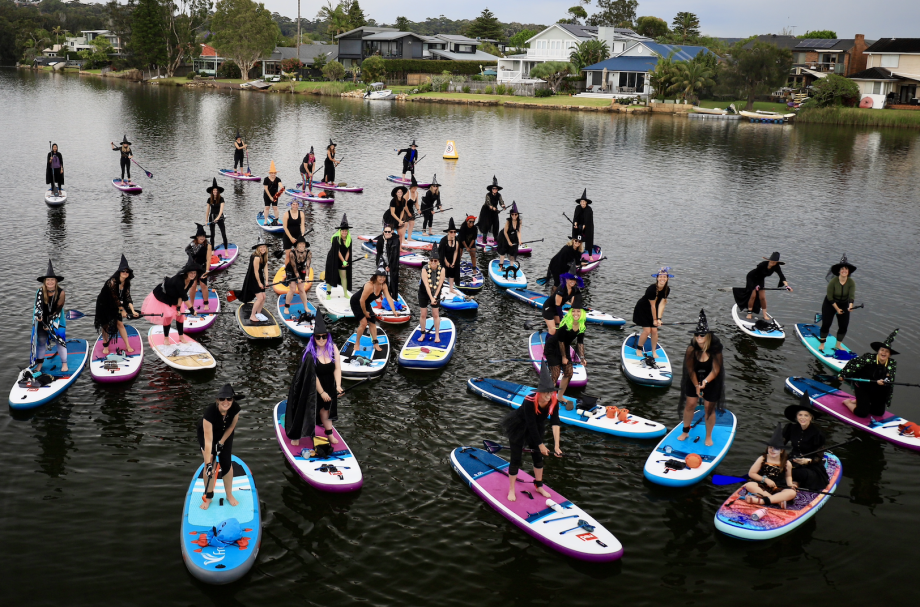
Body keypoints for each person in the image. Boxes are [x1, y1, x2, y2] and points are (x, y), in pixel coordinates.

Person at [499, 362, 563, 502]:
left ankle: (538, 485)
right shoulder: (529, 400)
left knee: (538, 458)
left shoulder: (554, 401)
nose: (548, 395)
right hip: (520, 425)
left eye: (550, 392)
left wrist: (557, 446)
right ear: (539, 392)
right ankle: (511, 489)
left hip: (537, 426)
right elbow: (530, 424)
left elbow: (555, 422)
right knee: (516, 459)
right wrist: (541, 445)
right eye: (545, 392)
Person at [677, 309, 725, 447]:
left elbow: (716, 370)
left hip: (711, 379)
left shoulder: (715, 349)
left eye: (702, 335)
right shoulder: (691, 349)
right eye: (696, 335)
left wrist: (704, 382)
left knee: (709, 408)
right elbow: (690, 369)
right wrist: (697, 385)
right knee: (690, 404)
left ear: (708, 336)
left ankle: (708, 436)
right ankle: (685, 431)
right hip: (694, 378)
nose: (698, 337)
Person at [197, 383, 242, 510]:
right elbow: (208, 440)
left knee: (226, 462)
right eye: (222, 399)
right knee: (210, 464)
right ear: (217, 400)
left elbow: (231, 427)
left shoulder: (235, 409)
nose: (226, 402)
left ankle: (229, 494)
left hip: (225, 434)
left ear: (232, 400)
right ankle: (208, 496)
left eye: (229, 399)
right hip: (207, 435)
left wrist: (221, 442)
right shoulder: (209, 414)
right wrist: (209, 463)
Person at [839, 329, 899, 421]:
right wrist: (842, 374)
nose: (884, 353)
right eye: (882, 350)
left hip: (878, 388)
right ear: (878, 351)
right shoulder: (868, 358)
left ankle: (861, 402)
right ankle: (848, 403)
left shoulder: (892, 363)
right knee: (862, 413)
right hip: (863, 386)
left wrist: (885, 381)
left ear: (889, 355)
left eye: (887, 351)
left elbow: (889, 377)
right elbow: (852, 363)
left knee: (878, 412)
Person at [141, 255, 203, 343]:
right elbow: (184, 297)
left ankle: (181, 336)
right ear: (186, 273)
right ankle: (166, 338)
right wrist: (192, 310)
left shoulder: (191, 280)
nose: (193, 275)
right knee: (168, 316)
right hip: (165, 296)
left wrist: (178, 308)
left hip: (176, 296)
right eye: (191, 273)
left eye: (194, 273)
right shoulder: (179, 281)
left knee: (180, 316)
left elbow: (182, 295)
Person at [543, 295, 587, 405]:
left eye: (578, 311)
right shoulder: (566, 324)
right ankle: (547, 398)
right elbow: (560, 341)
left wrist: (582, 358)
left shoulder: (582, 325)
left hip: (564, 347)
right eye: (573, 311)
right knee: (555, 374)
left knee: (569, 373)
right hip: (553, 347)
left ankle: (560, 396)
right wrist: (563, 357)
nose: (575, 314)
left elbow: (580, 342)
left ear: (582, 313)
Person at [741, 423, 798, 507]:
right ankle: (776, 500)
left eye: (776, 448)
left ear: (781, 451)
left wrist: (790, 484)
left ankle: (761, 501)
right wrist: (766, 480)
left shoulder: (786, 463)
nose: (772, 450)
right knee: (749, 485)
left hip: (778, 485)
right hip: (763, 484)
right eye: (770, 447)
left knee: (792, 493)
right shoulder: (762, 458)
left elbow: (788, 476)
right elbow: (752, 473)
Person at [783, 393, 830, 492]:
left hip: (810, 464)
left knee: (803, 474)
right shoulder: (790, 428)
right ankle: (792, 484)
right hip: (793, 459)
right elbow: (779, 444)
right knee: (780, 469)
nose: (802, 418)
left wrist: (807, 461)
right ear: (796, 416)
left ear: (811, 417)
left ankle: (795, 483)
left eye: (806, 415)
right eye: (800, 415)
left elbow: (819, 456)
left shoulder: (817, 433)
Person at [94, 255, 139, 356]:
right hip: (104, 304)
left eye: (127, 272)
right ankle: (106, 346)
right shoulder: (112, 282)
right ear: (119, 272)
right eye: (123, 271)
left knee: (120, 324)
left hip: (115, 304)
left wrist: (132, 311)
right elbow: (115, 297)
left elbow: (127, 297)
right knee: (105, 325)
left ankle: (127, 345)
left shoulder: (127, 283)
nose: (125, 273)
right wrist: (122, 310)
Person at [31, 261, 68, 374]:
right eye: (48, 280)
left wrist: (50, 324)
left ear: (56, 281)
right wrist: (39, 316)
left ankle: (64, 364)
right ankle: (40, 364)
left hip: (57, 320)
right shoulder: (40, 291)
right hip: (42, 321)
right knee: (41, 341)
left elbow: (57, 310)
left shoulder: (61, 293)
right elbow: (38, 306)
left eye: (52, 280)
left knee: (60, 341)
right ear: (45, 282)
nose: (50, 282)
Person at [350, 265, 398, 352]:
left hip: (366, 303)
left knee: (372, 322)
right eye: (380, 276)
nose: (382, 279)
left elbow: (389, 298)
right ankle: (357, 343)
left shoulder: (383, 286)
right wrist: (365, 312)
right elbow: (361, 300)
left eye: (384, 277)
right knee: (364, 323)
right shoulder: (369, 286)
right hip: (356, 302)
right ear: (375, 277)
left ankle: (375, 343)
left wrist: (394, 311)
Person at [733, 252, 792, 321]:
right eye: (772, 262)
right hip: (752, 277)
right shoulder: (762, 264)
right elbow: (756, 274)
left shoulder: (776, 267)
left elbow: (782, 277)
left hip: (760, 279)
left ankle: (764, 315)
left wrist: (787, 286)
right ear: (769, 260)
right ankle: (749, 313)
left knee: (762, 297)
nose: (773, 263)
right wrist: (756, 286)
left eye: (775, 262)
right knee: (753, 295)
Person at [819, 253, 857, 355]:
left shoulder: (851, 282)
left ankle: (838, 344)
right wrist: (837, 309)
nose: (844, 271)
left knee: (843, 326)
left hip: (844, 303)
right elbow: (830, 297)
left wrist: (850, 306)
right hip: (830, 304)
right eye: (842, 269)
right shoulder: (833, 282)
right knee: (826, 324)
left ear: (848, 272)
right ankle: (822, 343)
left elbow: (851, 296)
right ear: (839, 271)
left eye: (846, 269)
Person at [632, 267, 672, 359]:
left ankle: (654, 351)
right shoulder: (651, 289)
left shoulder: (667, 289)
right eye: (661, 277)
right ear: (657, 278)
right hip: (643, 309)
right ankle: (639, 349)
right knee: (647, 331)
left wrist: (659, 319)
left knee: (654, 330)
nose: (663, 279)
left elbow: (662, 304)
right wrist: (654, 319)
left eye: (665, 277)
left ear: (667, 278)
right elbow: (652, 305)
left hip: (654, 309)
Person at [542, 261, 582, 335]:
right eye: (570, 279)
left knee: (563, 327)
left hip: (558, 308)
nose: (572, 282)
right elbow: (558, 305)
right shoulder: (561, 289)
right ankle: (548, 345)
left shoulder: (575, 289)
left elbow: (574, 303)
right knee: (553, 330)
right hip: (549, 308)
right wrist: (562, 318)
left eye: (574, 280)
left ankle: (558, 342)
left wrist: (574, 314)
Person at [238, 236, 269, 323]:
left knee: (264, 297)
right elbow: (255, 271)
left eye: (264, 247)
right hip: (253, 278)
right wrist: (259, 283)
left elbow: (265, 269)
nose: (263, 248)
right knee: (259, 298)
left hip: (260, 277)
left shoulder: (265, 256)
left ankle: (259, 313)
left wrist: (266, 281)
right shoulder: (256, 257)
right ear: (258, 248)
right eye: (261, 247)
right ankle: (252, 315)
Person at [418, 253, 446, 342]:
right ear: (429, 261)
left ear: (438, 262)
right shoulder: (424, 269)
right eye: (431, 260)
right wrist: (431, 298)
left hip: (435, 292)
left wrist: (434, 297)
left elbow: (440, 284)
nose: (433, 262)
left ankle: (437, 335)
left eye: (435, 261)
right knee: (423, 314)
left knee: (435, 314)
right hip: (424, 292)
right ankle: (422, 333)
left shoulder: (442, 269)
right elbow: (426, 285)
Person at [324, 214, 352, 298]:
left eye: (346, 231)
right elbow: (338, 251)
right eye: (343, 231)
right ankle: (328, 293)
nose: (344, 232)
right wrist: (343, 260)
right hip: (333, 258)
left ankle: (345, 293)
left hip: (343, 259)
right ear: (340, 231)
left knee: (343, 276)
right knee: (331, 275)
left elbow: (348, 251)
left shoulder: (349, 239)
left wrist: (345, 261)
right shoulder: (336, 239)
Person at [185, 223, 213, 309]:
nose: (203, 238)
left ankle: (206, 303)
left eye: (204, 236)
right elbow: (187, 252)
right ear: (197, 237)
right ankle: (191, 305)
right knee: (192, 285)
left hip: (203, 266)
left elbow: (208, 258)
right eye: (201, 236)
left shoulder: (208, 245)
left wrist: (207, 270)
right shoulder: (192, 245)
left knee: (203, 285)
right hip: (193, 267)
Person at [283, 238, 312, 315]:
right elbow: (294, 266)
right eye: (300, 244)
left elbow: (308, 265)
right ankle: (286, 307)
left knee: (301, 289)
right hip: (292, 270)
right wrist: (298, 278)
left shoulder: (308, 252)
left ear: (305, 245)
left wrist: (307, 276)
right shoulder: (292, 253)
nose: (302, 245)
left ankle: (306, 306)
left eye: (303, 244)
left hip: (301, 269)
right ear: (297, 245)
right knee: (292, 289)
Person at [375, 223, 401, 300]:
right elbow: (379, 252)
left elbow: (394, 254)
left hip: (392, 262)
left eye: (388, 232)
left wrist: (389, 265)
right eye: (385, 231)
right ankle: (380, 294)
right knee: (380, 277)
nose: (387, 233)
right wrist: (381, 264)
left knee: (392, 280)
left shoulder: (395, 241)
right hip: (382, 260)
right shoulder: (380, 240)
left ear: (392, 232)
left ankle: (392, 296)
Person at [477, 176, 505, 244]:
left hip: (494, 212)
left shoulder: (499, 195)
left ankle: (496, 238)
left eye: (496, 189)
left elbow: (501, 201)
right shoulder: (488, 195)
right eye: (494, 188)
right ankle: (484, 239)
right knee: (486, 224)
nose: (495, 190)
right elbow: (488, 203)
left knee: (496, 224)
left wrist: (503, 205)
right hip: (486, 211)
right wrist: (493, 208)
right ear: (491, 189)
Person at [204, 178, 228, 254]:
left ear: (218, 191)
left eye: (216, 190)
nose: (215, 191)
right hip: (212, 217)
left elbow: (221, 211)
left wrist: (217, 219)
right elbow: (208, 210)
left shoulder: (221, 199)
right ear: (212, 191)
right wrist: (206, 220)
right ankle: (212, 250)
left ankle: (226, 250)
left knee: (223, 233)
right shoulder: (209, 199)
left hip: (219, 217)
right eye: (214, 190)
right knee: (212, 235)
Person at [439, 217, 461, 294]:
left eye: (454, 232)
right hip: (444, 258)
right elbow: (441, 253)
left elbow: (456, 252)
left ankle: (451, 288)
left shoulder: (457, 240)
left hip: (452, 258)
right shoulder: (443, 241)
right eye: (451, 232)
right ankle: (439, 289)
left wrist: (453, 263)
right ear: (448, 232)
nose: (453, 234)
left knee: (452, 272)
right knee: (442, 273)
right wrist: (446, 262)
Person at [496, 201, 522, 267]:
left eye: (515, 214)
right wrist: (509, 241)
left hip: (513, 236)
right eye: (512, 214)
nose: (514, 216)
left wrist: (519, 240)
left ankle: (511, 266)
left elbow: (518, 231)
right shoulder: (508, 221)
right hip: (504, 236)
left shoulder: (520, 221)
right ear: (510, 215)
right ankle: (501, 266)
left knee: (512, 252)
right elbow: (505, 232)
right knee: (503, 251)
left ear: (518, 215)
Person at [570, 189, 594, 258]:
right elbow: (576, 217)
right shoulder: (577, 208)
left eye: (584, 202)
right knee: (576, 239)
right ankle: (575, 253)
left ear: (586, 202)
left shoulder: (589, 210)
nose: (582, 203)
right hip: (579, 226)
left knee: (588, 239)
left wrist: (585, 225)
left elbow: (589, 220)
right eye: (581, 202)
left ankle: (590, 255)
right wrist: (575, 224)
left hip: (587, 227)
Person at [262, 160, 284, 225]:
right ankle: (265, 221)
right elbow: (266, 189)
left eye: (274, 173)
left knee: (275, 207)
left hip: (275, 195)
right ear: (270, 173)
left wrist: (282, 188)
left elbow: (280, 184)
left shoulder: (278, 179)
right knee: (267, 207)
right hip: (267, 195)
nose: (273, 174)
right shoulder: (266, 179)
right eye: (272, 173)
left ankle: (277, 220)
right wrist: (270, 197)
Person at [405, 174, 420, 241]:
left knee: (412, 223)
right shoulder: (407, 193)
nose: (415, 188)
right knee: (405, 224)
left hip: (411, 209)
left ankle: (409, 238)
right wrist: (408, 212)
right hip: (404, 210)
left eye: (416, 187)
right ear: (411, 187)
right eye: (414, 187)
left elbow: (416, 203)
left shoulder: (416, 193)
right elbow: (404, 205)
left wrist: (418, 209)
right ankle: (402, 239)